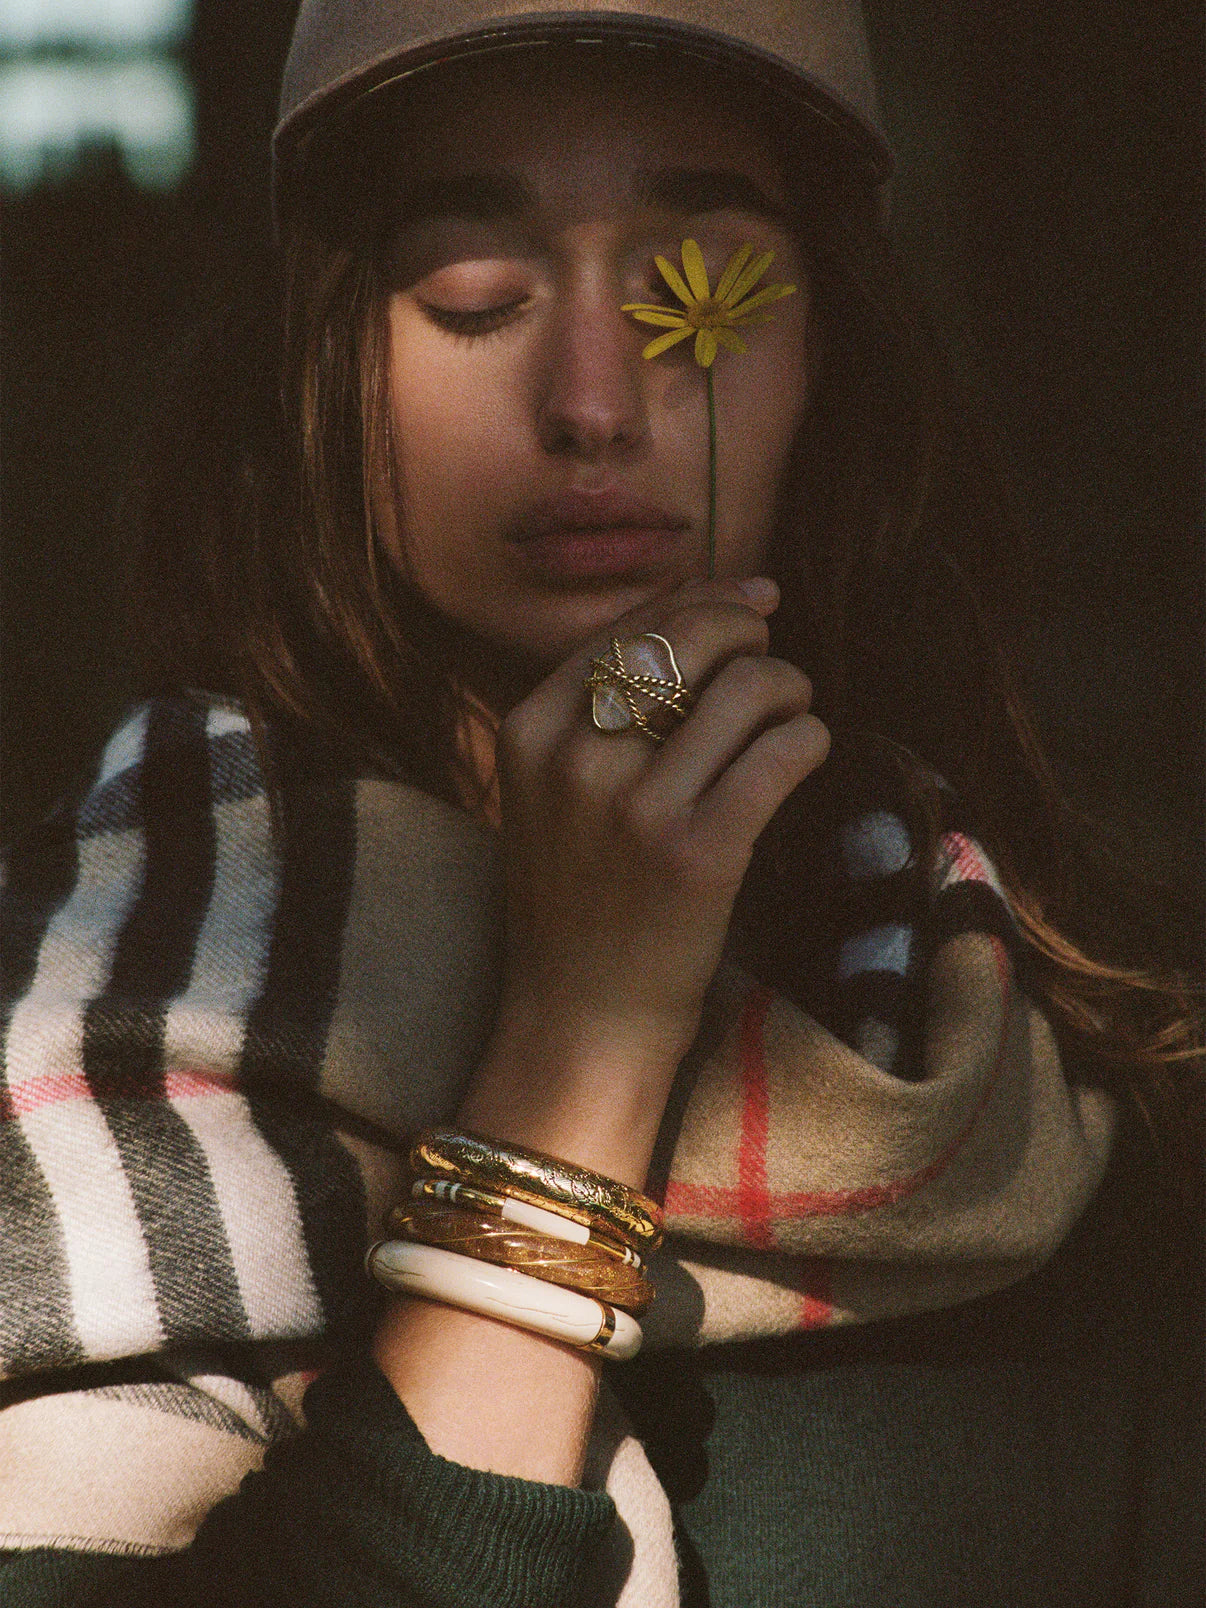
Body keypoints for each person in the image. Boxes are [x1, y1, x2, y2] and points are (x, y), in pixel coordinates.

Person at [0, 2, 1200, 1604]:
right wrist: (581, 1036)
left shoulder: (1061, 1039)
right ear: (312, 366)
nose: (596, 402)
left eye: (698, 290)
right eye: (472, 298)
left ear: (835, 351)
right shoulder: (113, 1013)